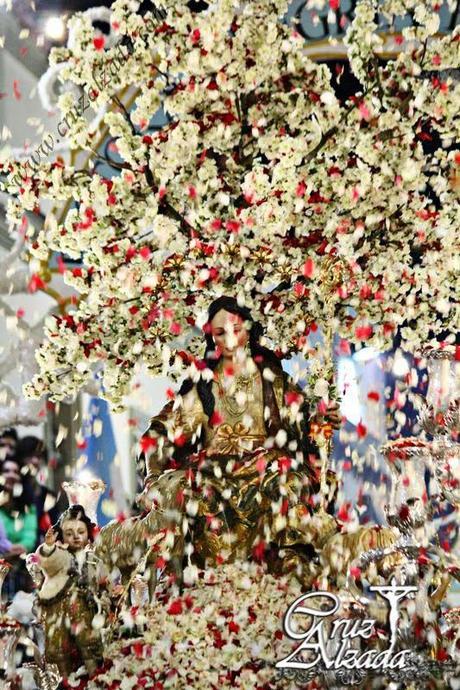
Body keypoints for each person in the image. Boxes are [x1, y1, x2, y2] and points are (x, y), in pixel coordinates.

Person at [103, 296, 340, 590]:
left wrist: (320, 421)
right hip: (215, 470)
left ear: (248, 329)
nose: (230, 339)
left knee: (288, 482)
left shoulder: (272, 377)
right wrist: (155, 457)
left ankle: (288, 566)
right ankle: (209, 584)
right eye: (220, 333)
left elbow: (301, 423)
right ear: (210, 336)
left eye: (236, 329)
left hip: (266, 468)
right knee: (193, 493)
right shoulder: (205, 381)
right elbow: (170, 426)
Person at [32, 505, 109, 677]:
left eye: (80, 531)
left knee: (91, 649)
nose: (76, 536)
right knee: (61, 654)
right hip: (60, 615)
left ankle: (95, 678)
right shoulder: (60, 557)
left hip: (87, 614)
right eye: (69, 533)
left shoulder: (94, 561)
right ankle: (66, 681)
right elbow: (45, 560)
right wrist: (49, 546)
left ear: (88, 534)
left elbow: (104, 585)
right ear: (61, 536)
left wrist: (105, 598)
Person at [0, 457, 37, 596]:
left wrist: (19, 548)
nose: (11, 475)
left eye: (15, 471)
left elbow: (30, 536)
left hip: (21, 566)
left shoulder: (28, 505)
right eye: (6, 471)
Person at [16, 436, 61, 547]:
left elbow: (56, 528)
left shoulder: (48, 495)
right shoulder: (14, 492)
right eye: (30, 456)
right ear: (21, 458)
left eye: (38, 456)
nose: (35, 461)